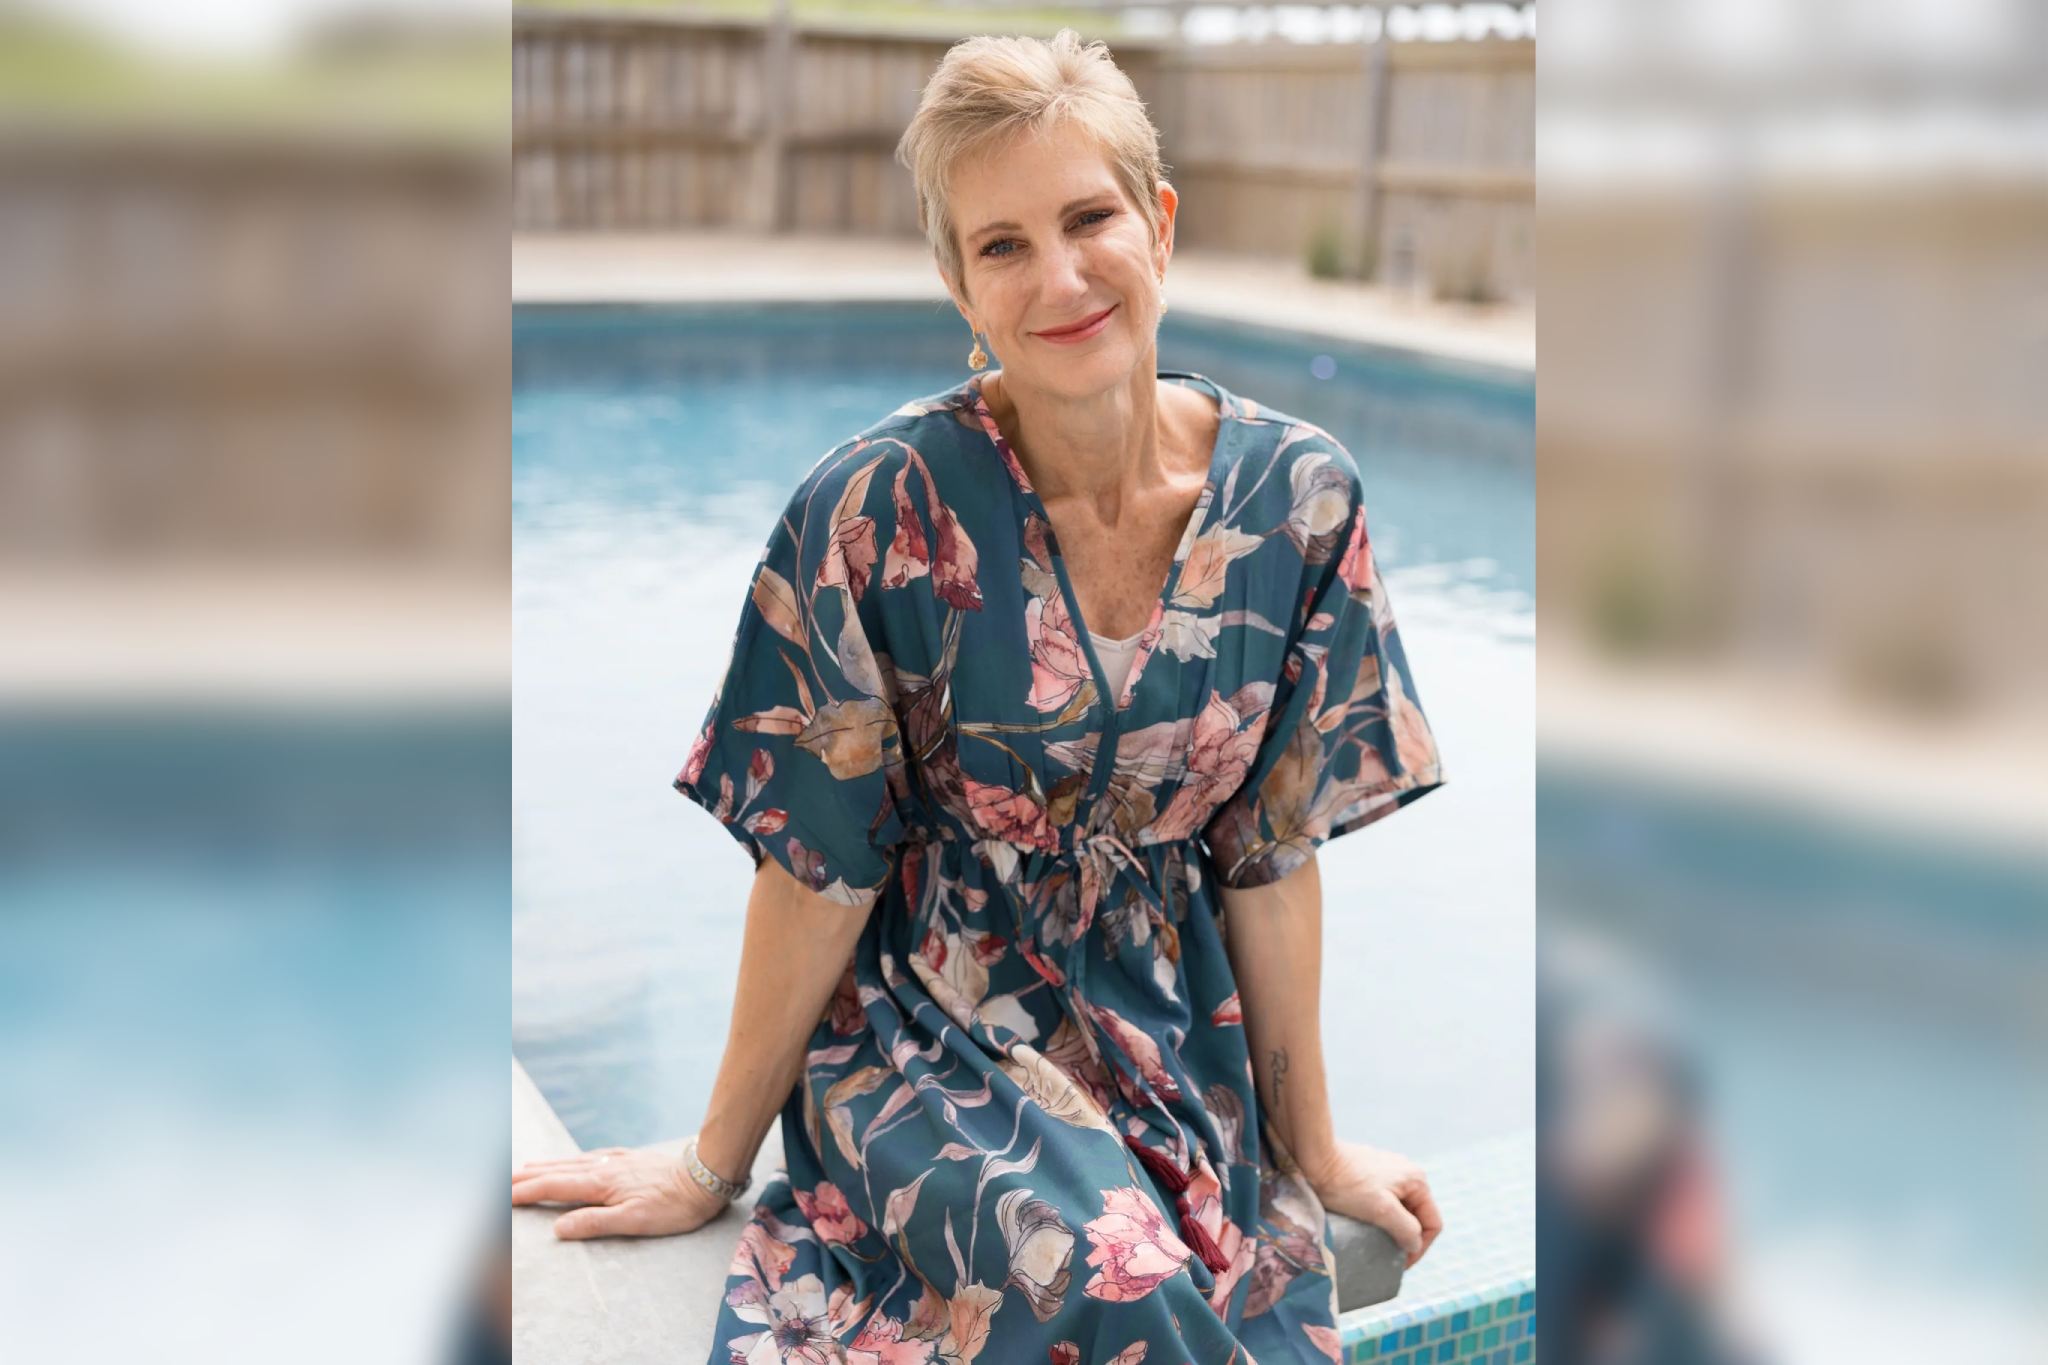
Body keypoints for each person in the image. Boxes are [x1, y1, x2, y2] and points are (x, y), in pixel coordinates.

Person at [513, 29, 1446, 1365]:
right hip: (925, 1027)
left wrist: (1316, 1147)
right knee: (1117, 1294)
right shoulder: (873, 513)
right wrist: (715, 1164)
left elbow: (1269, 863)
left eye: (1089, 218)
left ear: (1159, 225)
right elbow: (813, 872)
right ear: (960, 282)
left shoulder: (1301, 504)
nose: (1059, 277)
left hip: (1173, 1030)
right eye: (1003, 245)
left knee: (1242, 1280)